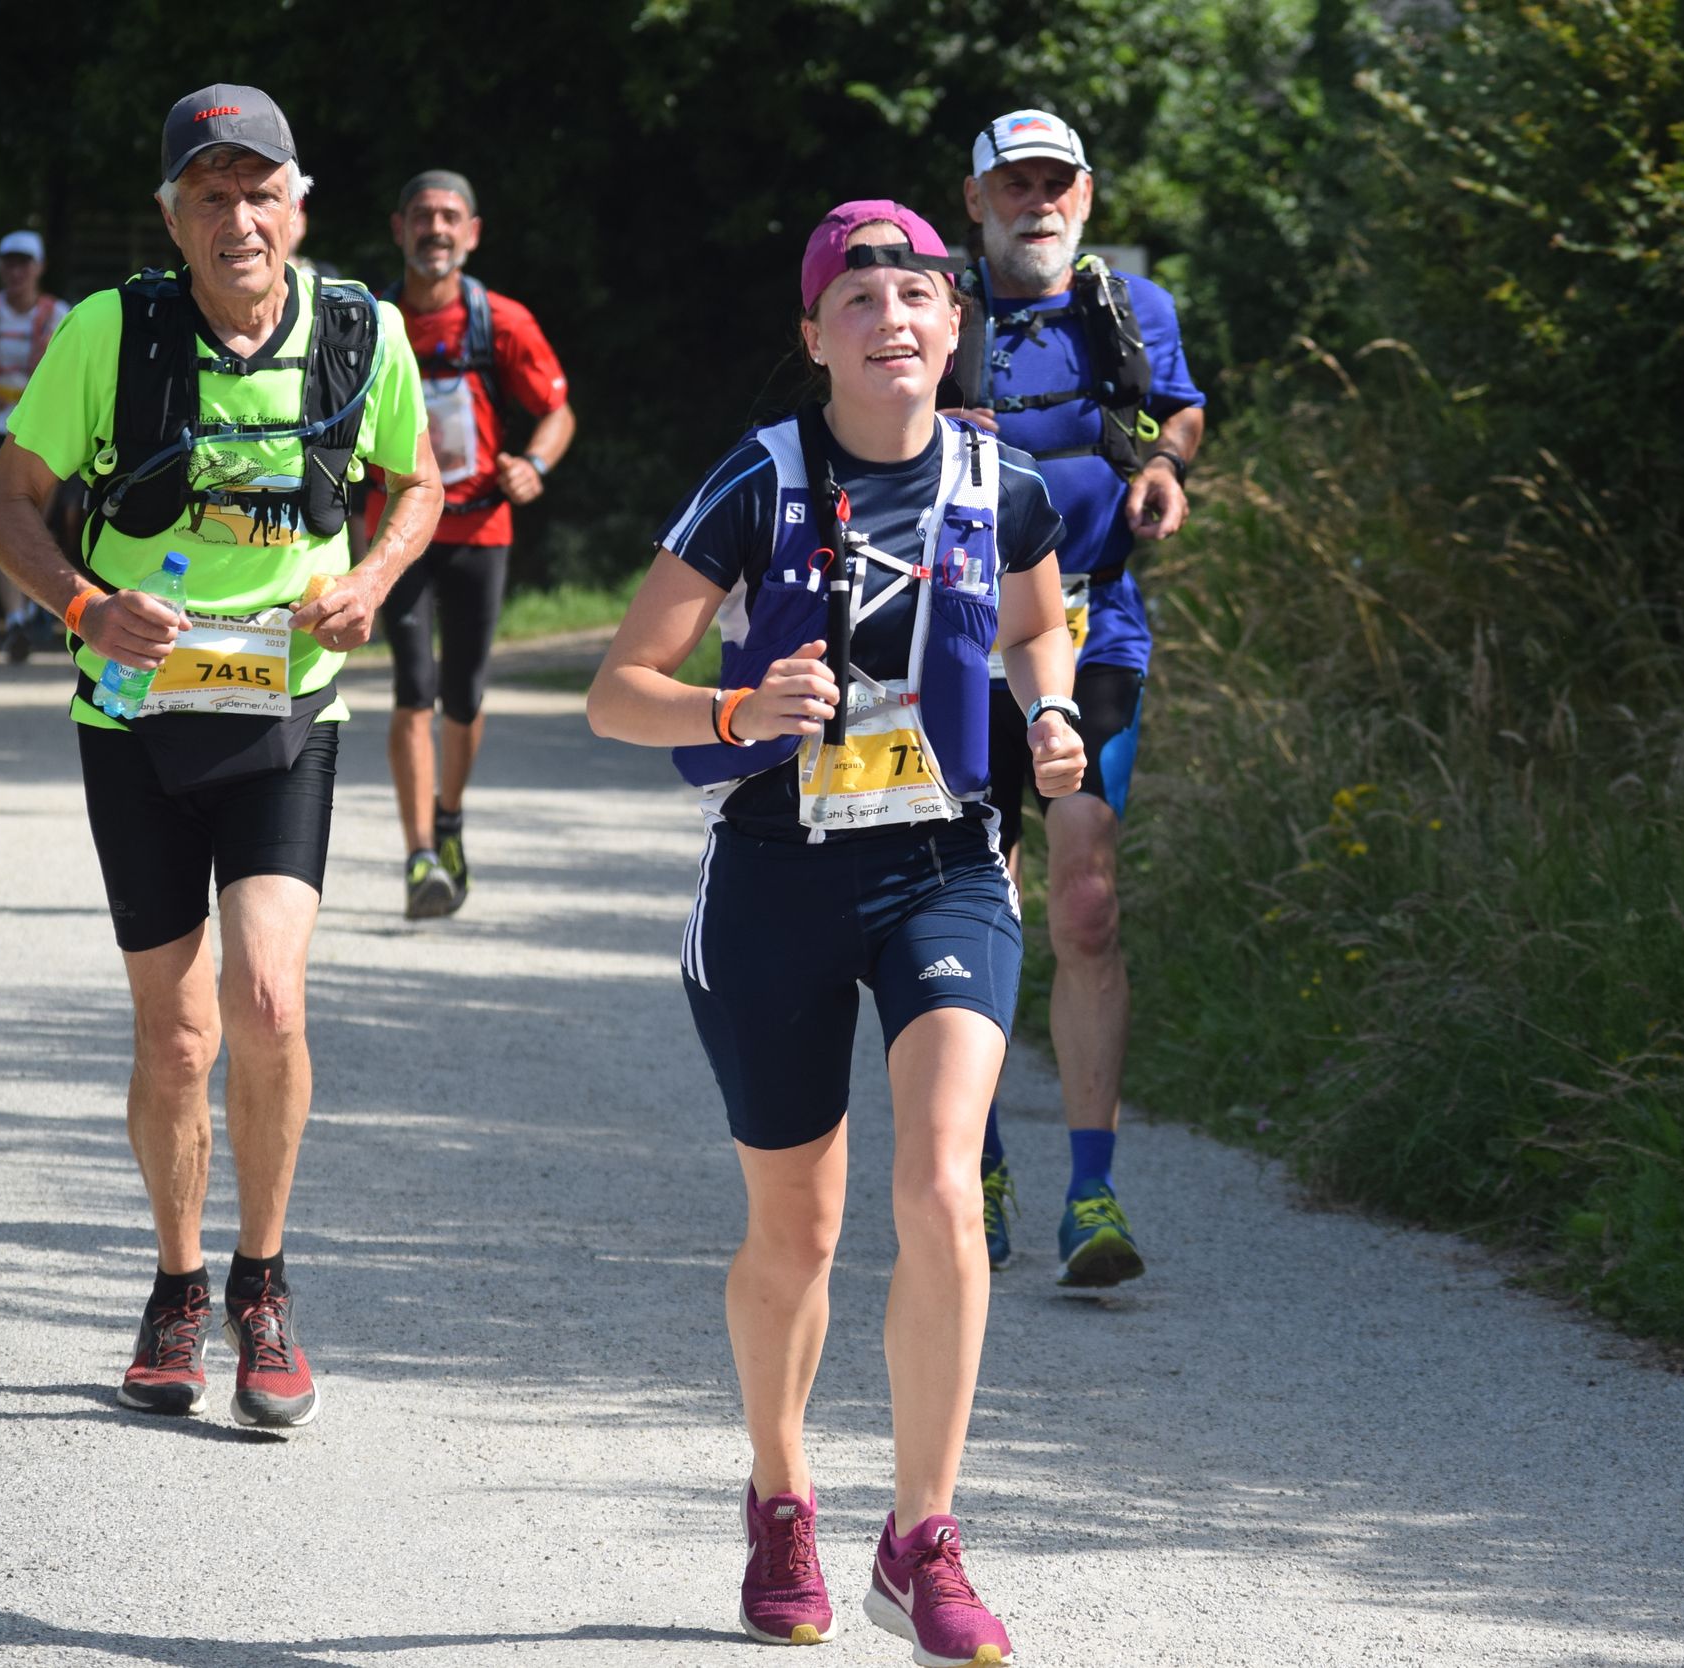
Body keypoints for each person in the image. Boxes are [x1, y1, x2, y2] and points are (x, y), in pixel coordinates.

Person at [587, 201, 1082, 1667]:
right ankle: (783, 1498)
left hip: (946, 868)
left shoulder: (1003, 481)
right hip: (777, 877)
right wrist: (737, 710)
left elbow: (1034, 625)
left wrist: (1051, 708)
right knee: (797, 1230)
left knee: (941, 1189)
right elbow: (618, 691)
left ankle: (923, 1538)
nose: (890, 318)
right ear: (814, 338)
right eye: (856, 300)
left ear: (954, 323)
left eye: (916, 294)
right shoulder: (760, 480)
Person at [0, 84, 440, 1430]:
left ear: (299, 205)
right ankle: (177, 1286)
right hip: (134, 714)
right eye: (211, 196)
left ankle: (262, 1286)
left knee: (271, 1003)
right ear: (171, 217)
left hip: (288, 709)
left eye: (261, 192)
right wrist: (82, 606)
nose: (240, 219)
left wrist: (372, 581)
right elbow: (4, 500)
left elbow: (418, 482)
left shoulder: (361, 331)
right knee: (178, 1038)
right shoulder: (107, 333)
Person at [951, 109, 1208, 1285]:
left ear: (1087, 196)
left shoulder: (1130, 306)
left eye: (1056, 183)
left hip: (1095, 628)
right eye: (1015, 185)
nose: (1037, 203)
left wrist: (1162, 467)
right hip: (959, 637)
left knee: (1088, 904)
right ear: (976, 203)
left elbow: (1179, 408)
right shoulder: (931, 310)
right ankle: (980, 1166)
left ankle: (1091, 1195)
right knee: (974, 904)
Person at [361, 169, 575, 918]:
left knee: (464, 694)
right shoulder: (371, 321)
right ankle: (420, 854)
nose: (436, 230)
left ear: (473, 233)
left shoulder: (500, 322)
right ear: (399, 228)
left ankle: (448, 818)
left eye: (451, 217)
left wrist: (534, 464)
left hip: (482, 528)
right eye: (423, 216)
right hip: (398, 527)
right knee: (412, 686)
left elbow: (558, 411)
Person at [0, 230, 72, 661]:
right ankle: (15, 621)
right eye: (9, 262)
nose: (16, 271)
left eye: (24, 263)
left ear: (39, 268)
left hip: (38, 429)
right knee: (4, 515)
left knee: (33, 523)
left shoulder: (59, 314)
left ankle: (33, 607)